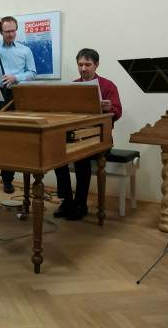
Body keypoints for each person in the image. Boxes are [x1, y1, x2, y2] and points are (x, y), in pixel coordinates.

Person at [54, 48, 122, 221]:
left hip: (101, 138)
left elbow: (118, 111)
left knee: (81, 157)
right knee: (56, 156)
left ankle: (80, 203)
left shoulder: (108, 86)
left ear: (96, 65)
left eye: (87, 64)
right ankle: (67, 201)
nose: (83, 68)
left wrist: (109, 108)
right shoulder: (74, 85)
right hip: (77, 135)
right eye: (80, 64)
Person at [0, 16, 36, 194]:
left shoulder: (25, 50)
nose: (10, 34)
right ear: (1, 32)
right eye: (6, 31)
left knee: (10, 138)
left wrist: (16, 77)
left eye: (13, 31)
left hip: (14, 94)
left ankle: (7, 180)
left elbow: (32, 72)